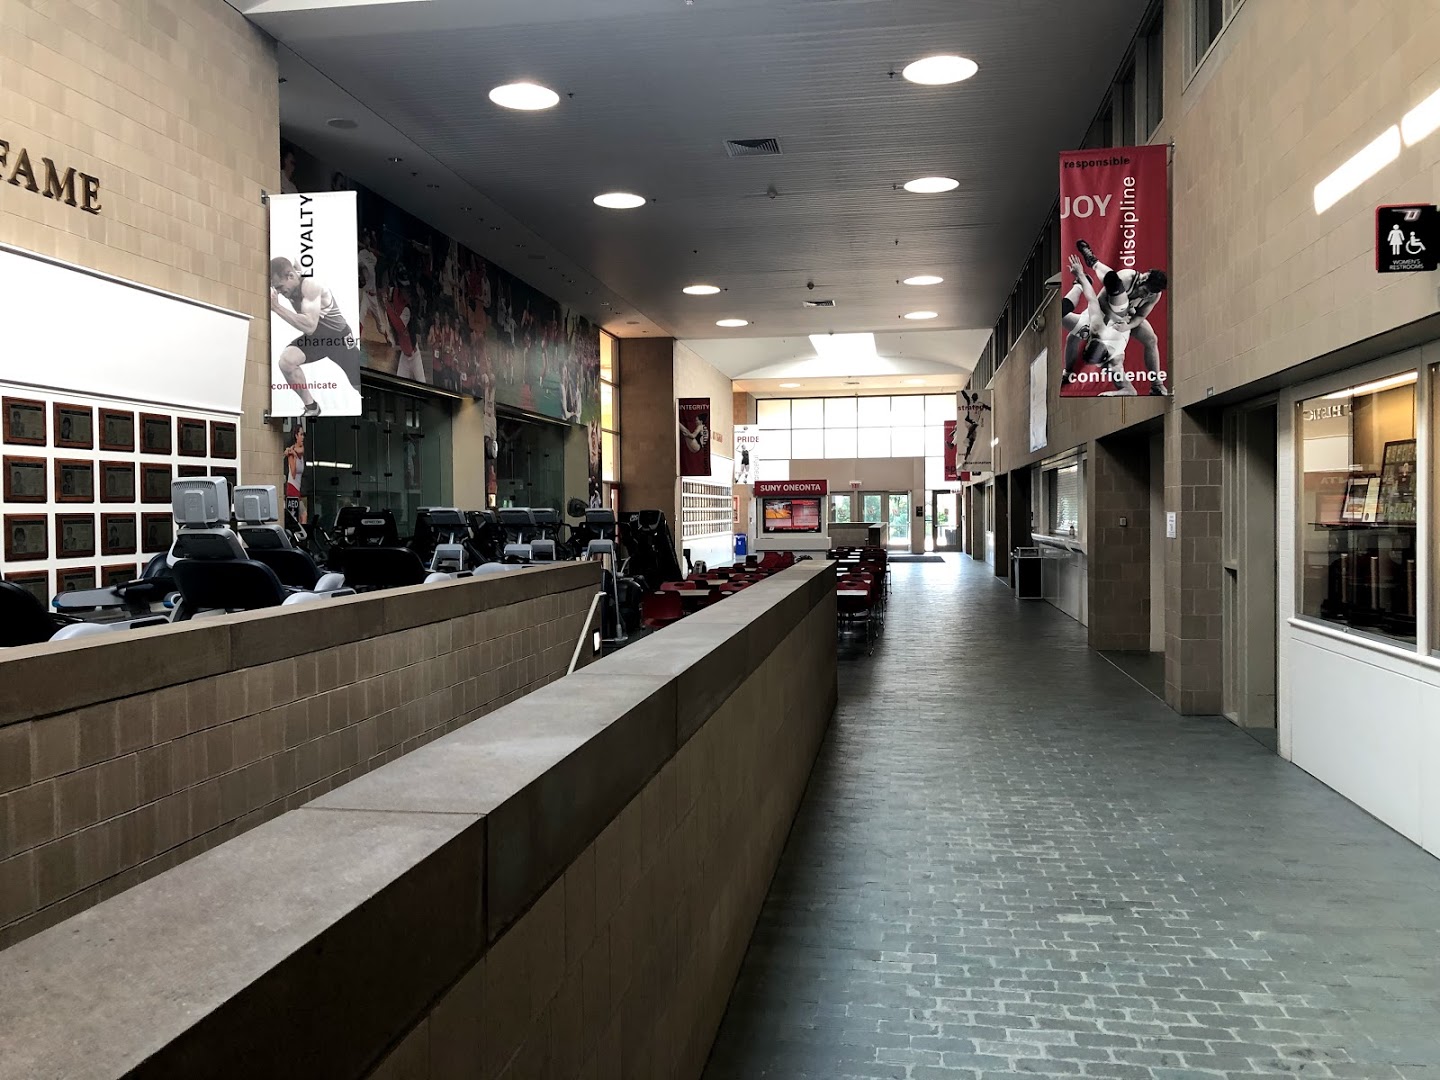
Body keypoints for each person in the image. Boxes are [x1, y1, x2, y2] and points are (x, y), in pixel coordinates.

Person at [1064, 239, 1168, 395]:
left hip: (1124, 319)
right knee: (1075, 337)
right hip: (1109, 312)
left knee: (1151, 340)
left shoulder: (1154, 294)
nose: (1145, 296)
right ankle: (1069, 372)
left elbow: (1140, 315)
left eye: (1149, 294)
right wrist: (1117, 318)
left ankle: (1157, 385)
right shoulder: (1114, 356)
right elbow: (1100, 301)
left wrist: (1127, 325)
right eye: (1145, 291)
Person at [270, 256, 364, 417]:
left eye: (279, 287)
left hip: (338, 340)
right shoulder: (293, 280)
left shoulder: (311, 286)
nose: (278, 292)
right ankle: (312, 407)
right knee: (286, 362)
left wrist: (276, 308)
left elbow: (309, 326)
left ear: (291, 276)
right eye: (275, 288)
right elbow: (295, 266)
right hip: (317, 339)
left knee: (358, 385)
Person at [1061, 254, 1142, 396]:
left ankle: (1068, 372)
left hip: (1111, 321)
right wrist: (1080, 275)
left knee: (1070, 333)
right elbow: (1092, 299)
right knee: (1067, 324)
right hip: (1114, 313)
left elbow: (1131, 391)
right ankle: (1083, 283)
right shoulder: (1097, 331)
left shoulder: (1113, 362)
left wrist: (1109, 394)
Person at [958, 389, 991, 468]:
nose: (974, 397)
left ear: (977, 397)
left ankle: (965, 460)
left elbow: (988, 407)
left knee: (971, 443)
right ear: (972, 397)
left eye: (975, 396)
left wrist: (992, 408)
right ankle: (966, 438)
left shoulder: (980, 404)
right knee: (975, 424)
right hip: (968, 422)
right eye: (973, 396)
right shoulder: (970, 401)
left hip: (973, 425)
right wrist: (962, 390)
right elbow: (965, 396)